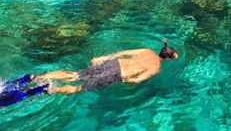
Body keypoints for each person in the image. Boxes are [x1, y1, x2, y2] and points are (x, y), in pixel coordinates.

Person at [35, 39, 178, 95]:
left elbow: (124, 52)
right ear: (168, 59)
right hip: (117, 74)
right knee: (79, 88)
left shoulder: (146, 50)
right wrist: (123, 80)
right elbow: (137, 80)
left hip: (113, 63)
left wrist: (104, 58)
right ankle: (52, 89)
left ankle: (39, 77)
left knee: (75, 75)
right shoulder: (156, 68)